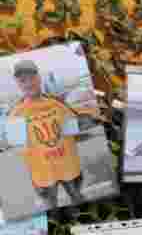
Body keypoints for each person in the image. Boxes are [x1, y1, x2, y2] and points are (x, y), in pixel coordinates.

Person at [7, 59, 102, 210]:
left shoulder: (57, 103)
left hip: (69, 169)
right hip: (43, 175)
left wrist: (90, 117)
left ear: (39, 78)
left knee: (79, 200)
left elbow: (73, 130)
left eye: (31, 78)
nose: (28, 83)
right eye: (23, 80)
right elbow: (17, 147)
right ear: (18, 84)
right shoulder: (15, 114)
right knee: (52, 209)